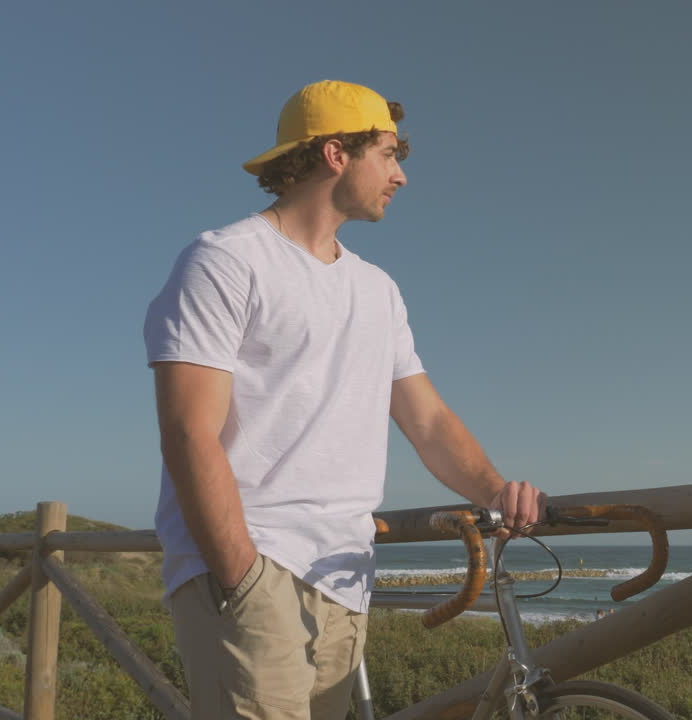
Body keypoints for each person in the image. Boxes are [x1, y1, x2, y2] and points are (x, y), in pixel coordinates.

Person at [143, 79, 545, 719]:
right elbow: (189, 432)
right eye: (389, 155)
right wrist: (240, 575)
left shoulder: (377, 289)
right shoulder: (224, 261)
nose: (401, 176)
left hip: (345, 573)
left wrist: (496, 491)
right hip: (254, 567)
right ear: (336, 154)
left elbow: (429, 420)